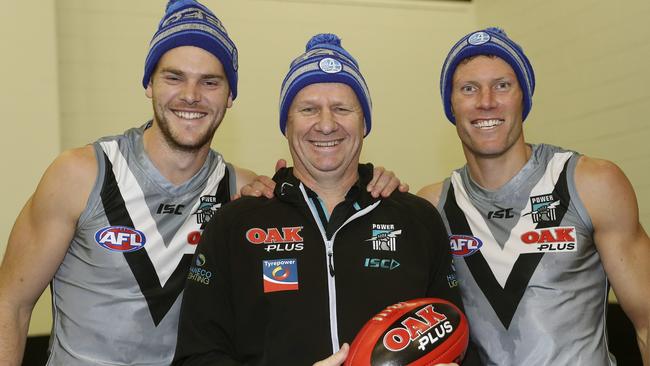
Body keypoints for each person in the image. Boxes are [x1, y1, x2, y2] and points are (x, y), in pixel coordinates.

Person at [0, 2, 402, 365]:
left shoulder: (243, 192)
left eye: (210, 82)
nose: (191, 96)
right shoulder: (80, 173)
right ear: (149, 84)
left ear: (230, 96)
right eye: (174, 77)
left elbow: (320, 193)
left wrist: (374, 183)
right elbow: (10, 307)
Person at [172, 33, 476, 366]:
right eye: (308, 109)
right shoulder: (234, 224)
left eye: (342, 109)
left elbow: (456, 340)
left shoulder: (418, 220)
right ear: (286, 125)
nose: (327, 124)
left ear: (364, 123)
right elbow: (197, 356)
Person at [418, 27, 650, 365]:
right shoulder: (432, 207)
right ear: (450, 105)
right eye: (469, 89)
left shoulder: (591, 183)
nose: (486, 101)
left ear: (523, 97)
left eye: (502, 86)